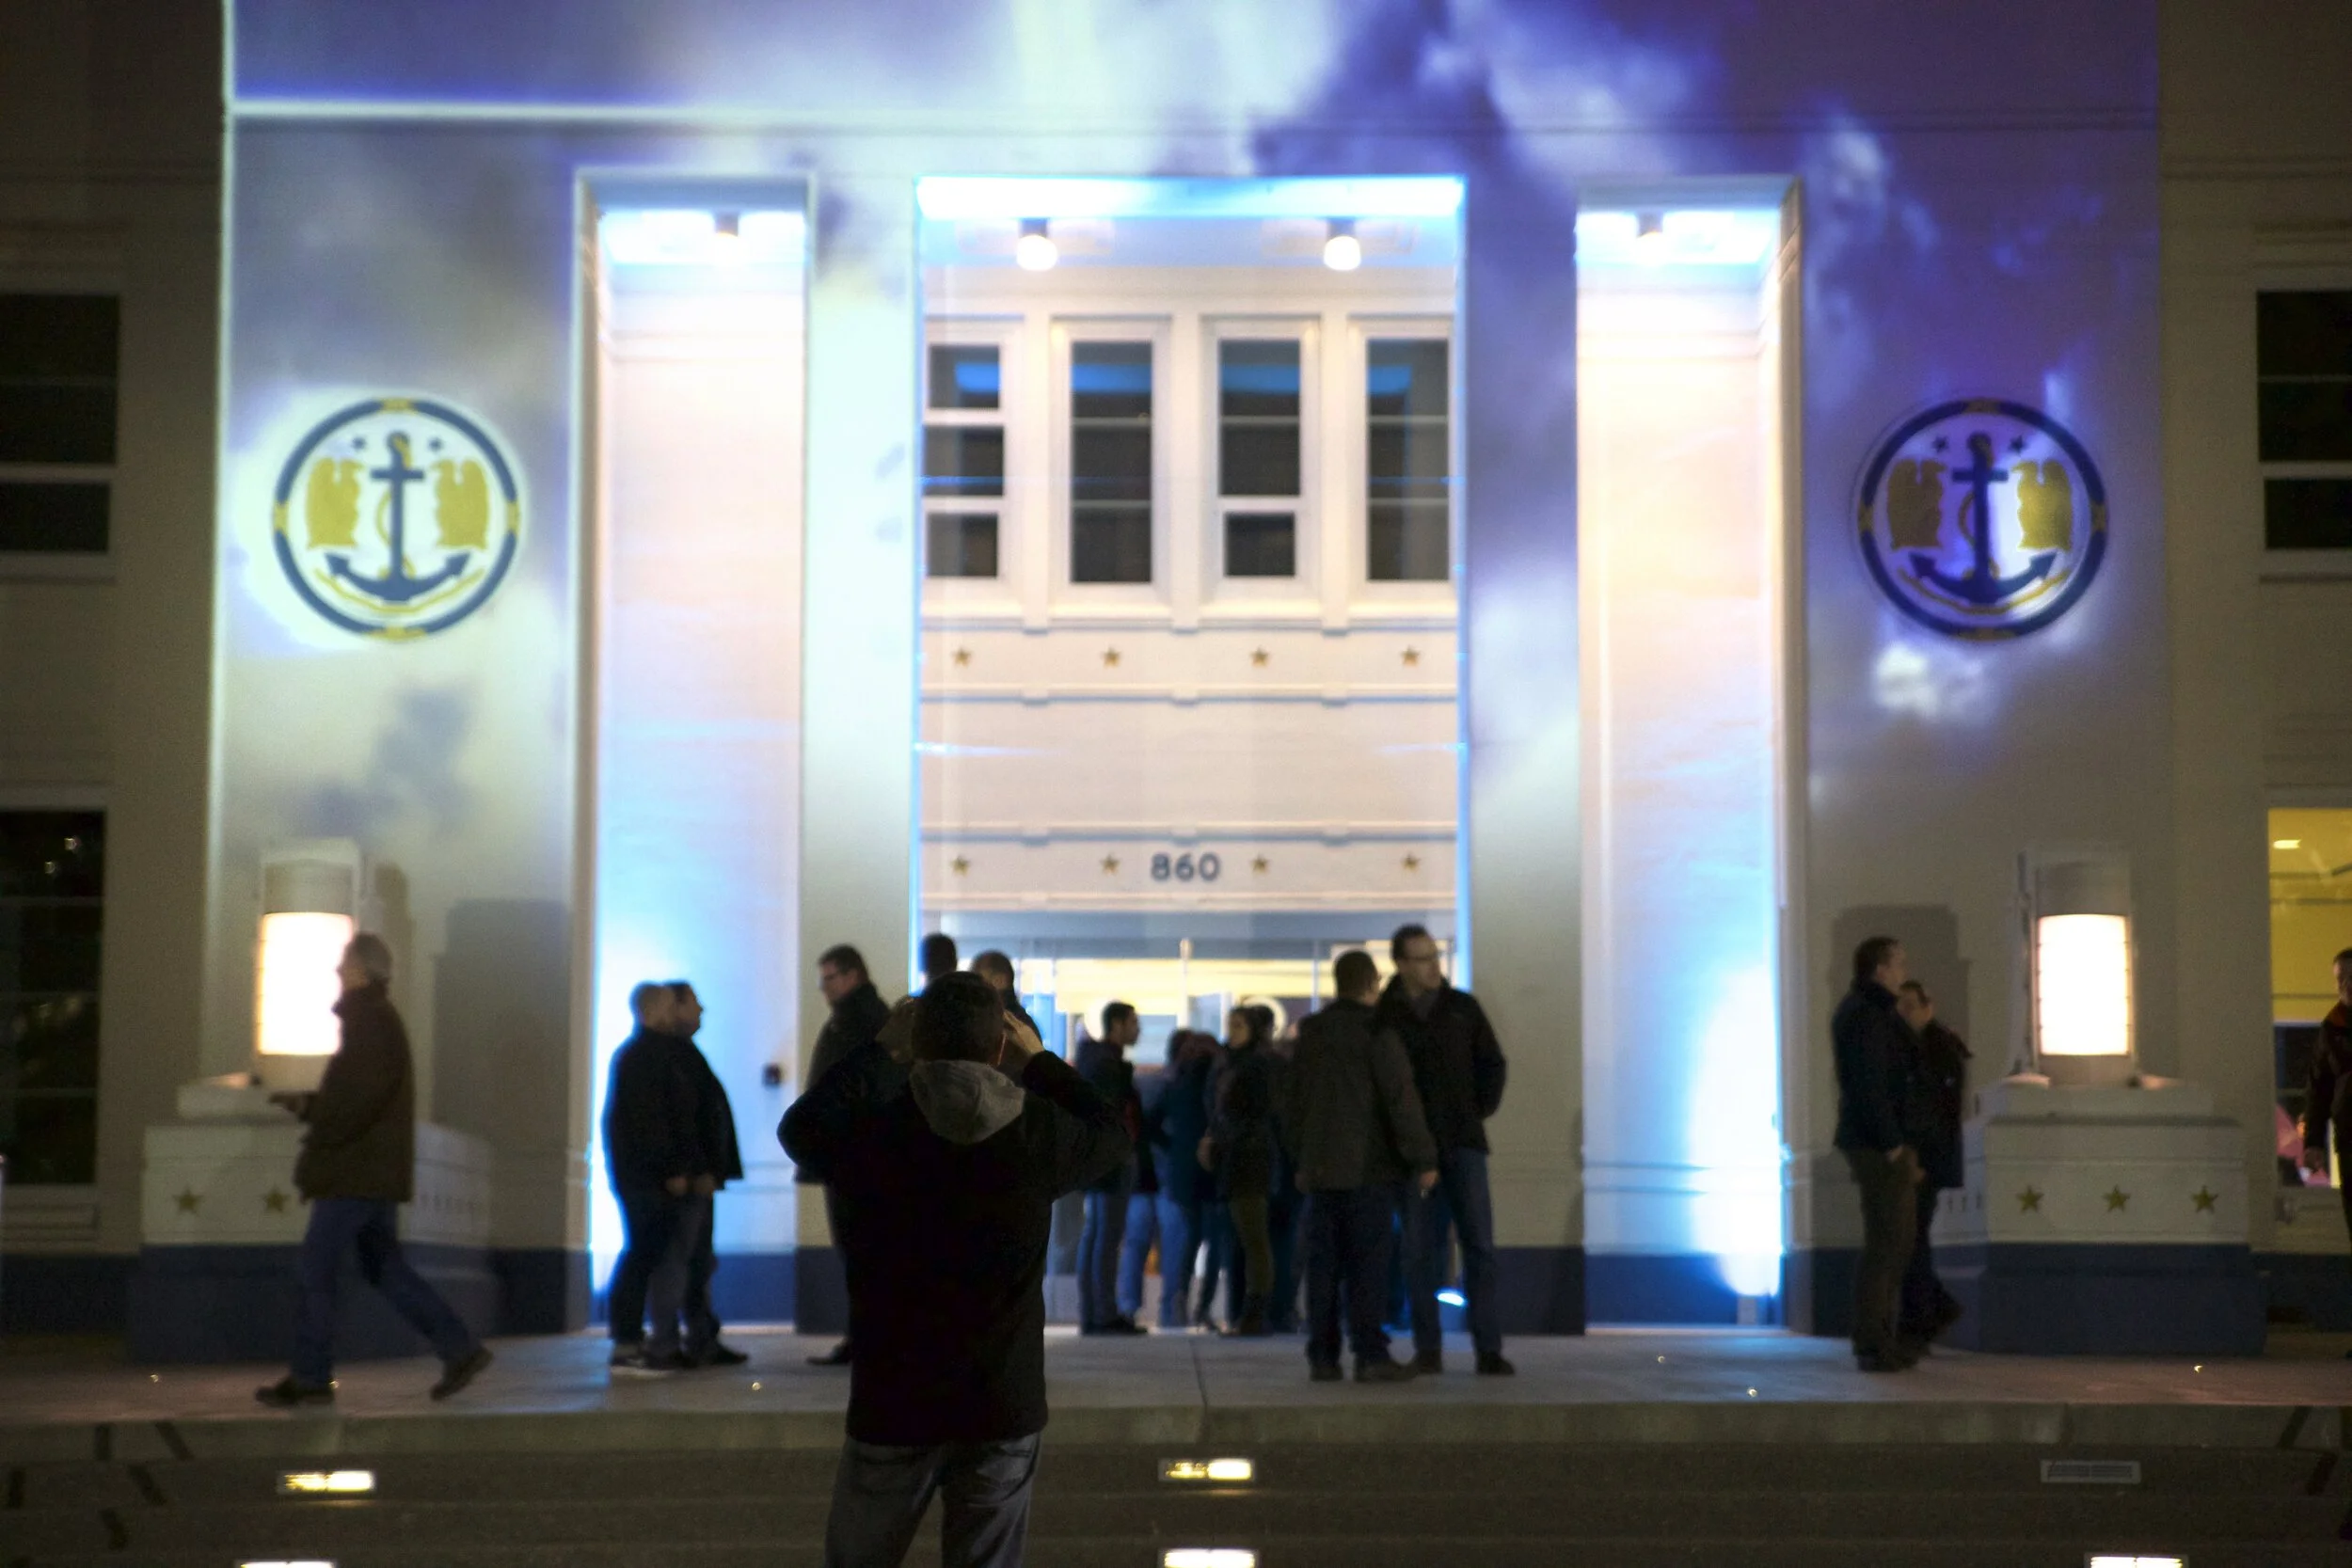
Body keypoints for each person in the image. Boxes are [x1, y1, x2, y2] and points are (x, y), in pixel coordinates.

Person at [780, 972, 1130, 1568]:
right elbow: (1113, 1133)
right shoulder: (1037, 1133)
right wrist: (1040, 1062)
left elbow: (799, 1129)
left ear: (914, 1040)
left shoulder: (877, 1131)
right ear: (1000, 1047)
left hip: (895, 1395)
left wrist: (880, 1049)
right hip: (1001, 1397)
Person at [257, 933, 492, 1407]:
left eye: (344, 963)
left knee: (316, 1268)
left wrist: (318, 1123)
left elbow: (355, 1104)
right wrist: (311, 1105)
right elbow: (359, 1097)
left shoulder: (369, 1022)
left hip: (354, 1174)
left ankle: (311, 1375)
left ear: (361, 971)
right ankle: (459, 1349)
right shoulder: (378, 1021)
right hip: (371, 1174)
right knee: (385, 1270)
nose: (338, 971)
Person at [1281, 950, 1438, 1383]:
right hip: (1368, 1168)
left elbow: (1292, 1102)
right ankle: (1370, 1355)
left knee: (1324, 1268)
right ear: (1371, 984)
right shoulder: (1376, 1032)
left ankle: (1323, 1356)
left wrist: (1300, 1158)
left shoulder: (1311, 1034)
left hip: (1320, 1171)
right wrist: (1423, 1157)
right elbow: (1400, 1098)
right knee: (1367, 1267)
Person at [1378, 925, 1512, 1376]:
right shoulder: (1388, 1015)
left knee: (1479, 1246)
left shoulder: (1461, 1009)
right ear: (1401, 964)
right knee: (1419, 1251)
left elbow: (1493, 1065)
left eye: (1435, 956)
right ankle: (1428, 1348)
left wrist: (1473, 1112)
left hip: (1462, 1143)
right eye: (1422, 958)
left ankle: (1488, 1348)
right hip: (1412, 1152)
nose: (1433, 966)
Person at [603, 980, 707, 1375]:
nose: (672, 1013)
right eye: (666, 1006)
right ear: (649, 1011)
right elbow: (652, 1122)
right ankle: (626, 1343)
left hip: (642, 1176)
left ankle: (630, 1341)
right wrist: (672, 1170)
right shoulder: (643, 1057)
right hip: (646, 1180)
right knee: (641, 1255)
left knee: (645, 1255)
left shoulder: (644, 1054)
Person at [1833, 935, 1925, 1372]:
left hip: (1877, 1140)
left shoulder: (1868, 1011)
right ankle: (1873, 1342)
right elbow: (1870, 1084)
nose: (1904, 971)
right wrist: (1892, 1145)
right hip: (1878, 1145)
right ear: (1880, 968)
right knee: (1888, 1242)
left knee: (1892, 1243)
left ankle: (1878, 1337)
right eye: (1899, 963)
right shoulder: (1867, 1014)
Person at [803, 942, 897, 1368]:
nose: (824, 988)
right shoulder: (861, 1019)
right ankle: (868, 1337)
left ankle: (869, 1339)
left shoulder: (861, 1022)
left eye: (830, 978)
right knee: (863, 1252)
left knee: (863, 1252)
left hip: (855, 1158)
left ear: (852, 975)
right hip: (855, 1156)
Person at [669, 980, 750, 1368]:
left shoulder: (686, 1056)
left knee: (698, 1262)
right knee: (691, 1261)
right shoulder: (675, 1058)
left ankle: (700, 1336)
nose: (701, 1010)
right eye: (694, 1003)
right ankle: (691, 1338)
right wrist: (696, 1169)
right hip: (691, 1179)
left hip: (699, 1176)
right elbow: (688, 1120)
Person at [1896, 978, 1968, 1350]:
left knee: (1912, 1240)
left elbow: (1934, 1111)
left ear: (1928, 1007)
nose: (1903, 1013)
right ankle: (1934, 1310)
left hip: (1926, 1160)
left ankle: (1924, 1318)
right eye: (1900, 1007)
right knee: (1911, 1239)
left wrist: (1920, 1159)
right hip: (1926, 1158)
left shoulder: (1935, 1048)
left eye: (1910, 1005)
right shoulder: (1924, 1046)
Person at [1202, 1004, 1279, 1337]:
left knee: (1253, 1237)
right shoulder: (1227, 1064)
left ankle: (1255, 1311)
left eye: (1239, 1026)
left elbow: (1253, 1114)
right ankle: (1245, 1311)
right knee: (1243, 1237)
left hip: (1249, 1158)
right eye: (1230, 1024)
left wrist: (1219, 1140)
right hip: (1233, 1158)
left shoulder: (1255, 1066)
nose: (1232, 1032)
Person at [1074, 1002, 1146, 1334]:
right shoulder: (1107, 1064)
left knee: (1097, 1234)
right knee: (1106, 1236)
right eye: (1133, 1022)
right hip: (1111, 1159)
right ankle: (1103, 1312)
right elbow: (1114, 1113)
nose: (1138, 1028)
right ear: (1117, 1024)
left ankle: (1094, 1311)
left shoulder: (1095, 1059)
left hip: (1098, 1158)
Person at [1148, 1029, 1216, 1329]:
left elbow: (1151, 1123)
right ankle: (1203, 1307)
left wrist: (1173, 1147)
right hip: (1213, 1168)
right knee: (1214, 1242)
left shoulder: (1176, 1084)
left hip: (1183, 1170)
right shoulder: (1215, 1084)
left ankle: (1179, 1300)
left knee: (1188, 1239)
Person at [2300, 949, 2352, 1251]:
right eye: (2340, 979)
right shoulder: (2332, 1028)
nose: (2347, 985)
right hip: (2349, 1139)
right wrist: (2313, 1143)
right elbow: (2318, 1089)